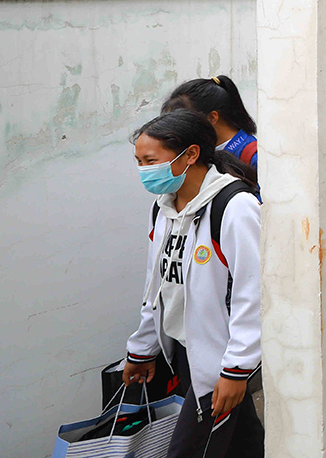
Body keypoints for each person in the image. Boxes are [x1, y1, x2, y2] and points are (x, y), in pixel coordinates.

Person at [121, 110, 263, 458]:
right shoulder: (164, 208)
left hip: (219, 358)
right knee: (242, 444)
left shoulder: (234, 206)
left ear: (192, 154)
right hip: (187, 352)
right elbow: (159, 285)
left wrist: (236, 370)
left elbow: (254, 292)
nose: (143, 170)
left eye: (150, 160)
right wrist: (143, 348)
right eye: (138, 161)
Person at [162, 75, 259, 170]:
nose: (177, 133)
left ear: (212, 118)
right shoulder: (198, 155)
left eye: (182, 125)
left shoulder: (255, 157)